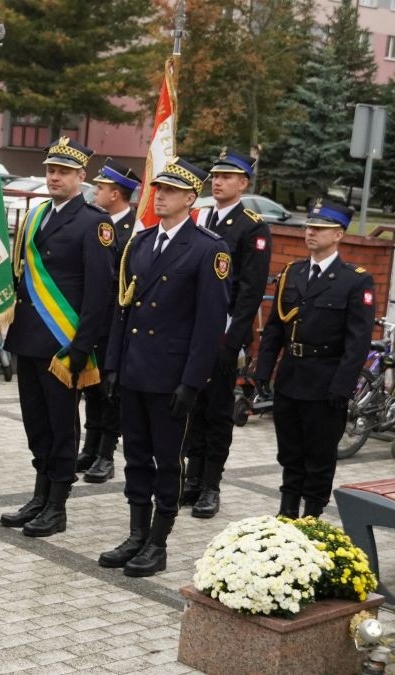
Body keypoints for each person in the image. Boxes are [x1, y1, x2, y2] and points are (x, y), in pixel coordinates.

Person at [98, 158, 229, 577]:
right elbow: (123, 310)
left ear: (191, 198)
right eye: (158, 189)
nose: (160, 196)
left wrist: (192, 382)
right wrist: (113, 365)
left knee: (167, 461)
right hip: (135, 369)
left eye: (170, 191)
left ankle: (158, 542)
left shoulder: (208, 249)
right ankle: (136, 534)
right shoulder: (140, 243)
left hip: (171, 377)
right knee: (136, 457)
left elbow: (210, 324)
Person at [0, 137, 115, 538]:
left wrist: (82, 346)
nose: (54, 177)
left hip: (64, 345)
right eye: (50, 170)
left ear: (81, 176)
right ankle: (40, 494)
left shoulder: (95, 223)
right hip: (28, 338)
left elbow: (100, 292)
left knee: (62, 426)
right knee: (36, 424)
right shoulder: (35, 216)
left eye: (63, 172)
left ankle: (57, 505)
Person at [254, 199, 375, 519]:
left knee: (319, 456)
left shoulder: (355, 280)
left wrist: (342, 387)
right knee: (290, 451)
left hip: (326, 382)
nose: (311, 232)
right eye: (309, 227)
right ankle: (286, 511)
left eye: (320, 228)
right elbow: (274, 328)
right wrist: (263, 371)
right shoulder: (292, 272)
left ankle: (311, 516)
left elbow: (358, 342)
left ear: (338, 235)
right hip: (291, 377)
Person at [180, 148, 274, 519]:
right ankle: (191, 478)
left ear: (243, 183)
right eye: (215, 176)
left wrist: (232, 339)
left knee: (217, 411)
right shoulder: (200, 216)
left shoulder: (252, 226)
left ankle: (210, 485)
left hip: (222, 332)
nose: (217, 182)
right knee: (192, 406)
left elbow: (250, 290)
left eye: (226, 177)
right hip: (191, 328)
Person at [77, 158, 141, 484]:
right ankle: (89, 447)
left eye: (100, 187)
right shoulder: (95, 222)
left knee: (109, 390)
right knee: (90, 386)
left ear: (116, 193)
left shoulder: (134, 232)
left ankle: (105, 453)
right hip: (91, 320)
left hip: (115, 322)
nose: (94, 192)